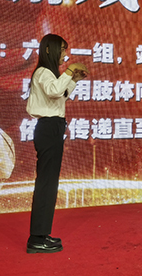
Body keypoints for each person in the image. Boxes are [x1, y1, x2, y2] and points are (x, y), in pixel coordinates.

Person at [26, 34, 88, 253]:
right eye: (62, 49)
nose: (65, 54)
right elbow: (54, 91)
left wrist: (74, 80)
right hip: (49, 128)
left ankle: (42, 234)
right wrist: (70, 71)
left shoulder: (50, 74)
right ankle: (37, 238)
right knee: (46, 183)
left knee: (49, 183)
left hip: (53, 128)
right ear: (49, 50)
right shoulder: (43, 72)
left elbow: (60, 96)